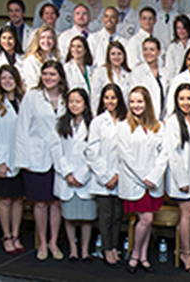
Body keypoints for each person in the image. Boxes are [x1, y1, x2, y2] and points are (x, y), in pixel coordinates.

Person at [15, 61, 67, 260]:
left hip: (60, 158)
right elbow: (22, 128)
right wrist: (23, 158)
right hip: (37, 157)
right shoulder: (32, 96)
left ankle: (54, 242)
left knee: (56, 203)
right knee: (40, 204)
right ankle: (42, 243)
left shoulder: (66, 97)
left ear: (60, 76)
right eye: (45, 74)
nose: (48, 77)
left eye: (52, 74)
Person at [117, 86, 166, 274]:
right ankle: (135, 254)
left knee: (148, 220)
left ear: (147, 103)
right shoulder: (123, 126)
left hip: (153, 182)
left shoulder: (158, 126)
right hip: (136, 182)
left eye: (139, 101)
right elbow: (126, 156)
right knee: (146, 218)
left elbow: (164, 153)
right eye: (132, 102)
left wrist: (154, 176)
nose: (136, 105)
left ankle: (143, 256)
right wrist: (144, 177)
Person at [0, 65, 26, 255]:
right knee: (5, 200)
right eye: (4, 78)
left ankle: (16, 235)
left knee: (18, 200)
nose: (7, 82)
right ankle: (7, 235)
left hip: (20, 160)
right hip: (3, 160)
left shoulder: (23, 101)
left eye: (11, 78)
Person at [164, 83, 190, 274]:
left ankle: (181, 248)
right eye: (182, 99)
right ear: (176, 100)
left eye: (189, 98)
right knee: (187, 215)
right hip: (183, 179)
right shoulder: (173, 122)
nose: (186, 102)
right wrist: (182, 180)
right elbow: (173, 154)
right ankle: (186, 254)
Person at [52, 88, 95, 262]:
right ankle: (73, 249)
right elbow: (56, 150)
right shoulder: (60, 124)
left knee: (86, 218)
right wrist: (68, 173)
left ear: (85, 104)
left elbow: (94, 153)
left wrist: (82, 176)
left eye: (78, 102)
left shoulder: (93, 125)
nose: (74, 105)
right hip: (66, 179)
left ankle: (85, 250)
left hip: (86, 178)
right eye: (71, 101)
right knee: (69, 217)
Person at [86, 84, 127, 265]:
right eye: (107, 97)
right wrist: (106, 177)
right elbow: (92, 152)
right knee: (106, 216)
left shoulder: (126, 121)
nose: (110, 101)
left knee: (117, 215)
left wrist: (117, 175)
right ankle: (106, 249)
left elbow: (127, 150)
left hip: (120, 177)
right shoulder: (97, 122)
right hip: (102, 179)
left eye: (113, 97)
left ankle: (114, 246)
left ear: (119, 99)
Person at [131, 38, 171, 119]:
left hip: (163, 118)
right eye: (145, 49)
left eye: (152, 50)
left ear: (159, 52)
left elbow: (169, 98)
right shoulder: (137, 72)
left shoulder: (166, 72)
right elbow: (135, 98)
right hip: (145, 118)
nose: (148, 53)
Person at [89, 41, 132, 111]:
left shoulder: (129, 74)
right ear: (108, 56)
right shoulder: (100, 72)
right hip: (105, 113)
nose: (116, 57)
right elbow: (95, 97)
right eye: (113, 54)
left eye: (119, 54)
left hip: (124, 113)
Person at [18, 25, 60, 90]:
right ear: (37, 40)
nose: (46, 41)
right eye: (42, 38)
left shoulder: (57, 59)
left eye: (50, 38)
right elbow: (32, 85)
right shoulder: (31, 61)